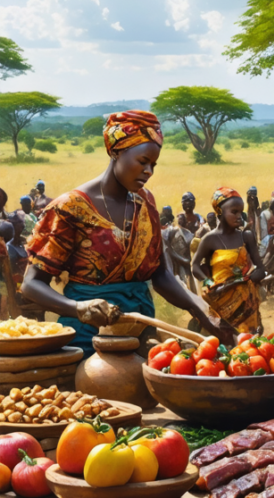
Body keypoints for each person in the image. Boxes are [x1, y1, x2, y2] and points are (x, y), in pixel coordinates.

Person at [21, 111, 233, 355]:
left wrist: (202, 310)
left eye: (153, 165)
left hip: (141, 333)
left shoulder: (145, 202)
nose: (149, 171)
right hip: (87, 338)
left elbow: (161, 274)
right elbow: (31, 284)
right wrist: (78, 308)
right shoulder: (69, 208)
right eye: (143, 161)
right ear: (116, 152)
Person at [193, 188, 266, 334]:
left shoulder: (246, 236)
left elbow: (261, 268)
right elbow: (195, 266)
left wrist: (255, 276)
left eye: (241, 212)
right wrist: (207, 282)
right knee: (221, 339)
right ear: (220, 212)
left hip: (246, 304)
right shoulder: (209, 239)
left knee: (247, 341)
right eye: (234, 212)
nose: (239, 216)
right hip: (219, 300)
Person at [163, 212, 195, 291]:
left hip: (187, 263)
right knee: (181, 283)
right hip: (177, 263)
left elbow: (190, 250)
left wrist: (188, 261)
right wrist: (180, 259)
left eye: (183, 219)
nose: (181, 221)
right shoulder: (172, 232)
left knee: (190, 284)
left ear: (186, 221)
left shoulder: (189, 233)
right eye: (179, 219)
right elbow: (168, 248)